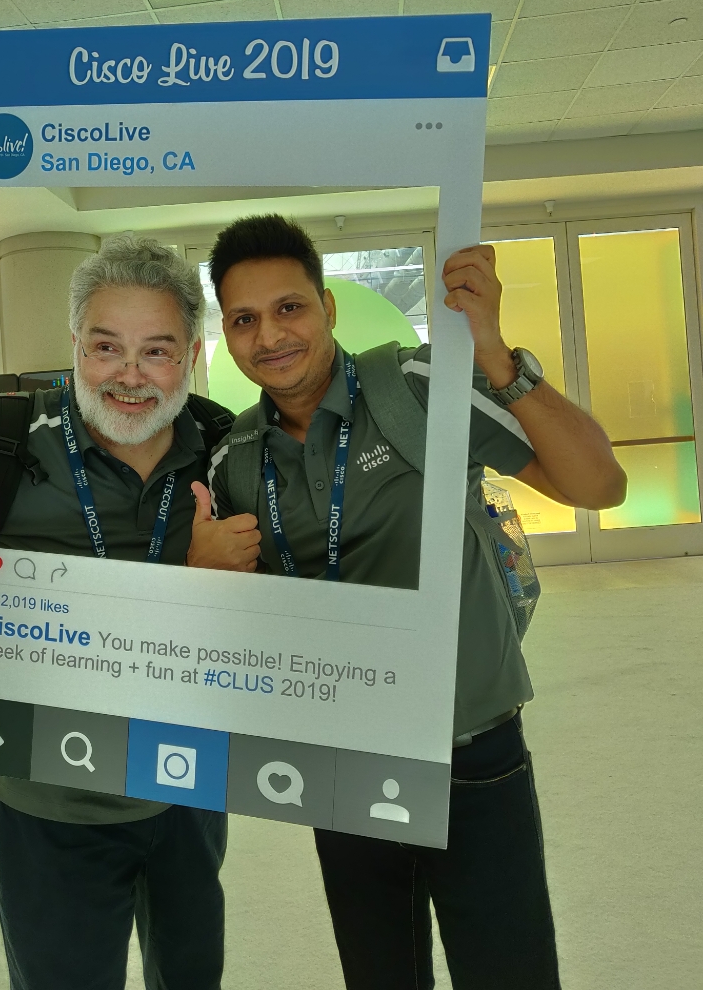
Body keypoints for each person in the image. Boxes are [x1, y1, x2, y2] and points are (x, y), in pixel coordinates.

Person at [198, 214, 627, 990]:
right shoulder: (234, 459)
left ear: (328, 306)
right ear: (226, 334)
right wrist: (205, 575)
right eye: (244, 319)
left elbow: (600, 484)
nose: (270, 335)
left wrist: (498, 358)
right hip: (342, 763)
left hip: (471, 750)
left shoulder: (419, 386)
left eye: (289, 306)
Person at [0, 235, 261, 990]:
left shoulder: (227, 450)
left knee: (192, 976)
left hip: (188, 785)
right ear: (75, 346)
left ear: (193, 354)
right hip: (45, 802)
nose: (129, 375)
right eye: (105, 346)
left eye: (156, 350)